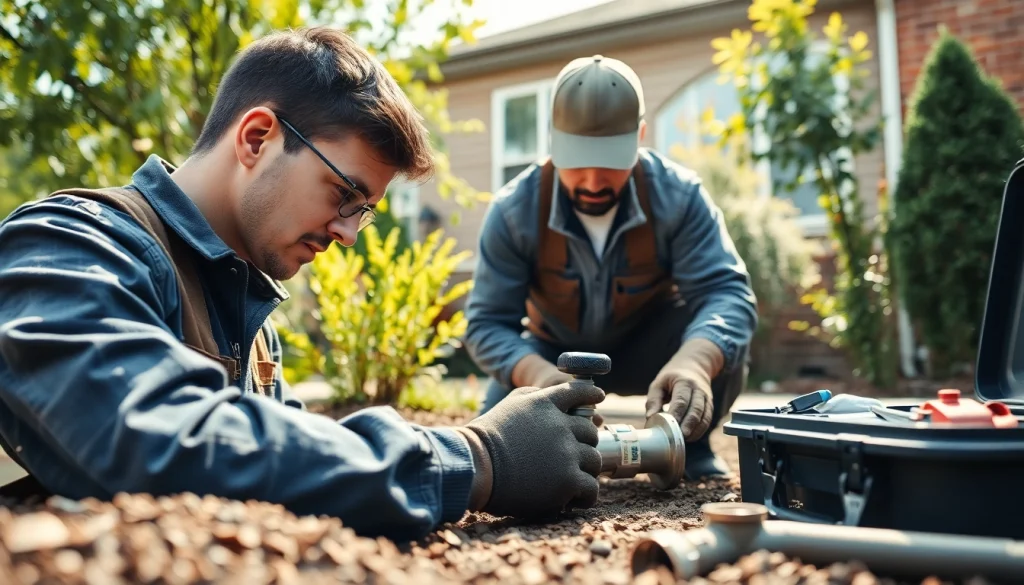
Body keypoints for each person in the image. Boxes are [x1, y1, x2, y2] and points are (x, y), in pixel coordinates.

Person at [0, 27, 606, 541]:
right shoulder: (70, 243)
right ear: (258, 137)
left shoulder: (252, 328)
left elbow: (286, 473)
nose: (348, 234)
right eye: (345, 195)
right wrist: (474, 459)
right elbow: (150, 435)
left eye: (362, 211)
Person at [463, 55, 758, 479]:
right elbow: (487, 323)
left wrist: (696, 361)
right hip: (554, 359)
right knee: (502, 449)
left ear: (639, 136)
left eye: (610, 163)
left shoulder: (680, 197)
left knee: (718, 344)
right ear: (553, 140)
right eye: (577, 162)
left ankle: (687, 449)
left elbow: (727, 295)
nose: (593, 182)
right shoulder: (513, 211)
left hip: (653, 352)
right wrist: (542, 378)